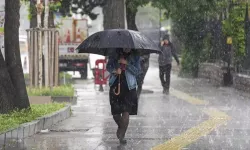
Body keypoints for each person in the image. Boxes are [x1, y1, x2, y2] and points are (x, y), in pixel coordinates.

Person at [106, 48, 141, 144]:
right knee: (115, 113)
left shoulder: (135, 55)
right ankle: (121, 128)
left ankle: (121, 135)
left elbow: (138, 72)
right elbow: (108, 66)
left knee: (126, 112)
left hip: (129, 87)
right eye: (125, 45)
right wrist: (114, 70)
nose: (127, 47)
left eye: (129, 46)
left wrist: (127, 64)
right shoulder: (114, 53)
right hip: (115, 85)